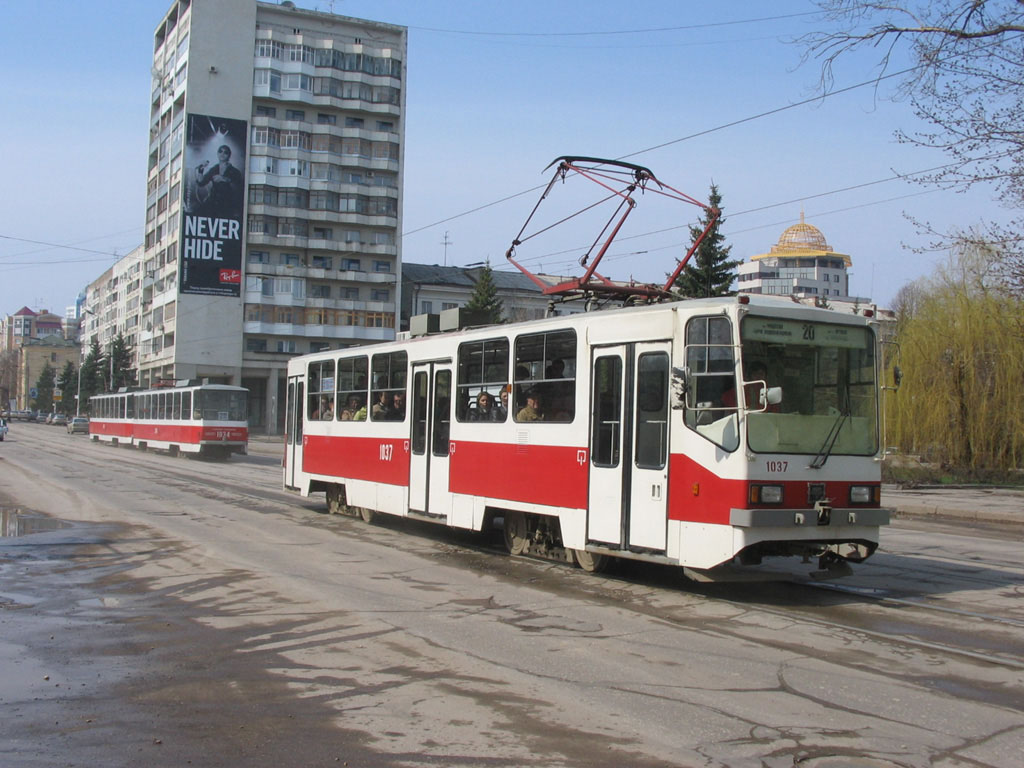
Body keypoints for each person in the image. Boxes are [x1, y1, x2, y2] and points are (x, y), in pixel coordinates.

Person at [194, 144, 243, 217]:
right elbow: (201, 183)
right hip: (213, 203)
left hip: (227, 205)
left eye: (225, 152)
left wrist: (225, 179)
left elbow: (239, 188)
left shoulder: (235, 171)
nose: (222, 154)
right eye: (220, 151)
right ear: (217, 153)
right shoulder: (214, 169)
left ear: (229, 155)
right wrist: (201, 170)